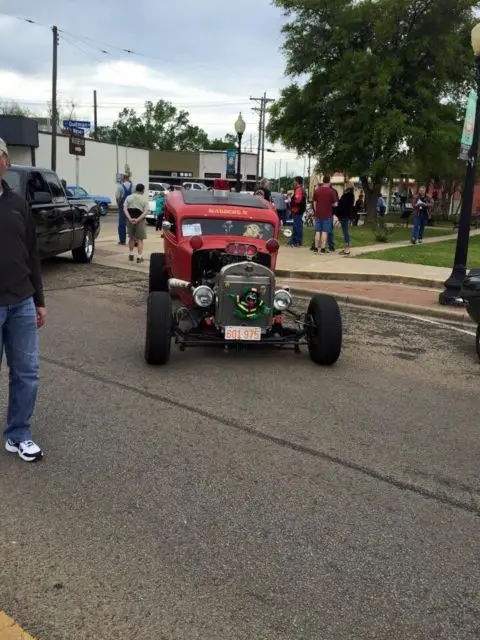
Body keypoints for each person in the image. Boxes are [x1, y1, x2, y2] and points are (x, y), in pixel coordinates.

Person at [0, 138, 45, 462]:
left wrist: (39, 300)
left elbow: (32, 254)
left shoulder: (18, 204)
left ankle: (18, 434)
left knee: (26, 372)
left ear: (4, 161)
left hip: (22, 302)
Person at [312, 175, 338, 254]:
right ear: (329, 181)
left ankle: (316, 248)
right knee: (324, 231)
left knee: (317, 231)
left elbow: (314, 202)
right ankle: (323, 249)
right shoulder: (331, 191)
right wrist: (330, 204)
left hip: (318, 214)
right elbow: (335, 204)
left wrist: (316, 210)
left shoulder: (317, 190)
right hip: (327, 214)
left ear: (323, 181)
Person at [124, 183, 149, 263]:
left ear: (135, 189)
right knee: (140, 239)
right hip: (140, 220)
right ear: (143, 190)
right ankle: (139, 256)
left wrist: (130, 218)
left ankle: (131, 254)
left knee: (131, 238)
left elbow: (125, 209)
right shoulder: (144, 199)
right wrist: (137, 219)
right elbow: (145, 211)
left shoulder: (129, 197)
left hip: (130, 219)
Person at [336, 182, 355, 255]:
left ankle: (347, 249)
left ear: (348, 186)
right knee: (345, 231)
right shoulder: (351, 195)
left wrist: (338, 210)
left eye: (346, 185)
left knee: (345, 231)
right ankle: (347, 247)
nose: (345, 186)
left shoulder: (348, 195)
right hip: (346, 215)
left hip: (344, 215)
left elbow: (342, 205)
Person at [288, 176, 307, 247]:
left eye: (294, 181)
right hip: (299, 210)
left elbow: (298, 200)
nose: (293, 182)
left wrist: (291, 203)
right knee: (298, 225)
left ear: (297, 182)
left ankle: (296, 241)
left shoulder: (299, 190)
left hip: (297, 210)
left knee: (297, 226)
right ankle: (296, 241)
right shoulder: (301, 189)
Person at [115, 173, 133, 245]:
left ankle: (122, 240)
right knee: (131, 224)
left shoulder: (120, 187)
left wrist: (119, 204)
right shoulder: (133, 186)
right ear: (128, 178)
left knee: (122, 224)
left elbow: (117, 197)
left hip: (122, 207)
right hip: (131, 207)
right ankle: (132, 240)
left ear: (123, 178)